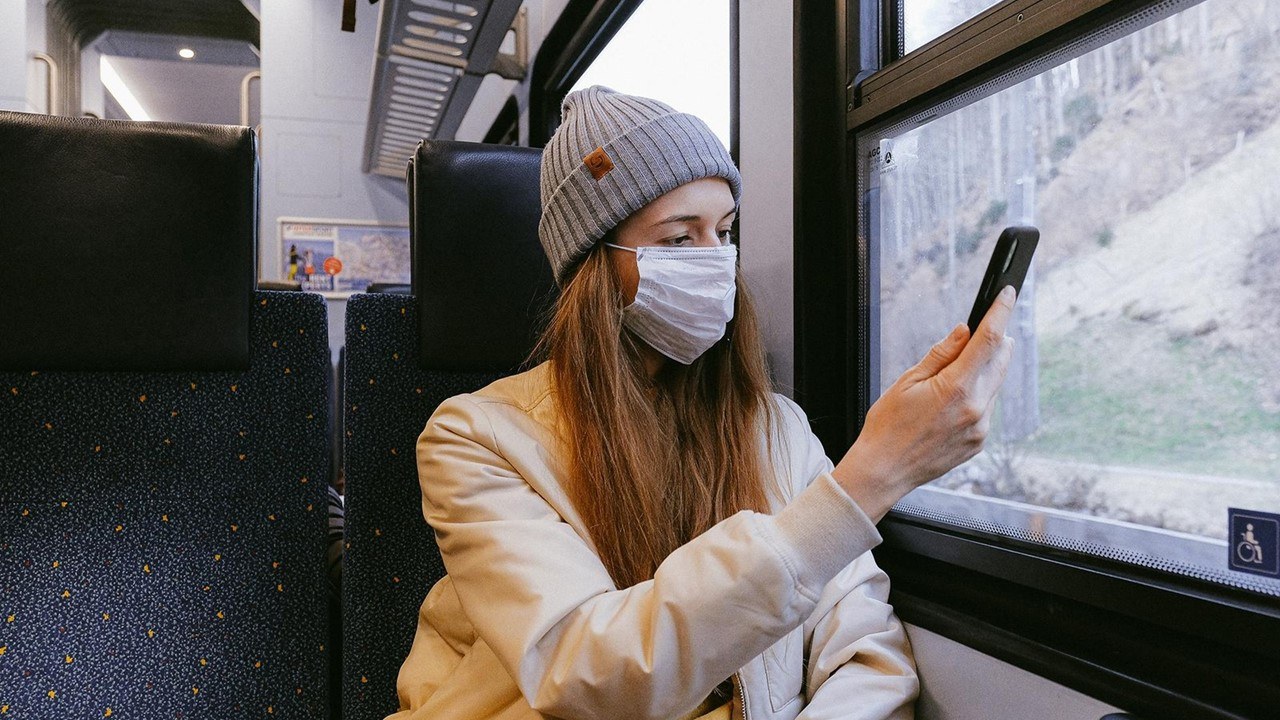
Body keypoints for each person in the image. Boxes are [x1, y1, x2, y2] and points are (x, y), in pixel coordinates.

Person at [389, 86, 1015, 720]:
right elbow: (586, 675)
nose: (717, 263)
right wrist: (872, 476)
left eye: (724, 231)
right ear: (595, 268)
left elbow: (865, 652)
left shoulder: (776, 429)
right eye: (678, 240)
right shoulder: (477, 438)